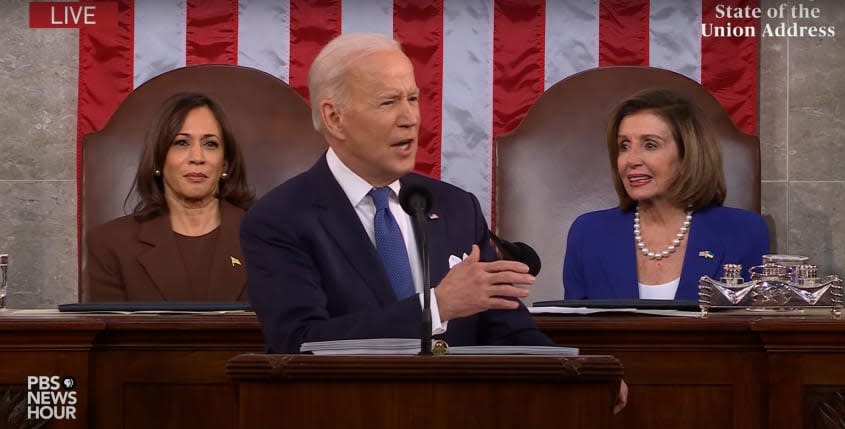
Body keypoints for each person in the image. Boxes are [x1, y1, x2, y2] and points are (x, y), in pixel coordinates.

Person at [563, 89, 770, 300]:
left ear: (687, 154)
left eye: (650, 145)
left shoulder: (744, 232)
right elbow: (573, 330)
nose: (631, 160)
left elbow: (753, 325)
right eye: (624, 146)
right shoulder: (588, 234)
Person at [83, 93, 254, 302]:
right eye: (181, 143)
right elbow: (109, 333)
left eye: (210, 144)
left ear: (225, 164)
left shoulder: (268, 237)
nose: (197, 158)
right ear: (158, 160)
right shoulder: (109, 243)